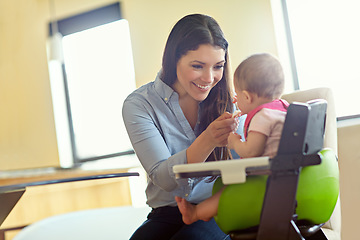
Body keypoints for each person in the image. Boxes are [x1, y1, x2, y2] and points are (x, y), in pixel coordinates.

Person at [122, 14, 240, 240]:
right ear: (173, 59)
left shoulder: (230, 101)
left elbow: (247, 166)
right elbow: (164, 179)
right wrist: (208, 139)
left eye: (218, 66)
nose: (209, 78)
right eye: (197, 66)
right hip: (167, 212)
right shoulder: (139, 104)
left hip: (219, 205)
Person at [175, 53, 289, 225]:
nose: (235, 100)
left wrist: (234, 141)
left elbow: (251, 151)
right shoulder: (283, 108)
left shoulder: (262, 117)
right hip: (286, 179)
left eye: (238, 95)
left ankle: (197, 213)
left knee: (228, 189)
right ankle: (202, 212)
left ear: (248, 97)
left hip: (266, 183)